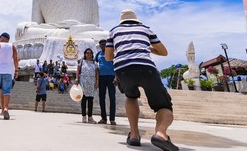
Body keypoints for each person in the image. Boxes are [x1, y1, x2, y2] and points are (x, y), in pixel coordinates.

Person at [105, 9, 179, 150]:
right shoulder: (146, 29)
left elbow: (108, 57)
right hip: (146, 68)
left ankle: (134, 135)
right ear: (136, 19)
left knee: (131, 96)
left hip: (122, 69)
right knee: (164, 106)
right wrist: (146, 47)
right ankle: (161, 134)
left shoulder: (113, 31)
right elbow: (164, 52)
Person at [95, 39, 117, 125]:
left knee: (112, 98)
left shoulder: (112, 53)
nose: (103, 46)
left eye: (105, 44)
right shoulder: (98, 55)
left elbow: (116, 65)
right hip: (101, 77)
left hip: (111, 76)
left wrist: (116, 78)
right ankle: (103, 118)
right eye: (102, 44)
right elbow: (95, 64)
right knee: (102, 98)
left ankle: (112, 119)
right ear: (100, 46)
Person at [75, 48, 99, 124]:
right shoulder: (82, 62)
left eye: (90, 53)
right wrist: (76, 79)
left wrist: (97, 81)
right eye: (87, 53)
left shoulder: (94, 63)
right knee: (84, 100)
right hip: (83, 82)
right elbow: (78, 70)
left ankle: (90, 117)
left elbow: (96, 73)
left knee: (90, 100)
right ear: (85, 54)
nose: (89, 54)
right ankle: (83, 116)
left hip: (91, 82)